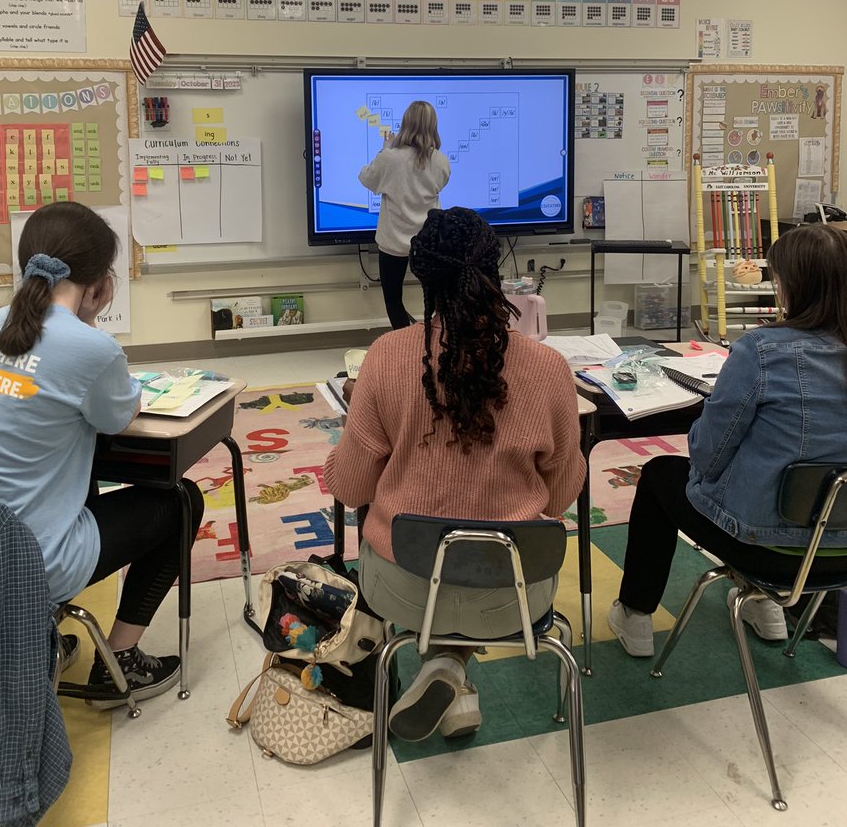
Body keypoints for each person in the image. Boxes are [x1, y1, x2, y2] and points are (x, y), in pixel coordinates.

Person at [324, 208, 586, 741]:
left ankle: (446, 666)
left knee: (415, 537)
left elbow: (349, 486)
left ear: (422, 277)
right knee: (477, 550)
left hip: (404, 588)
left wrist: (348, 445)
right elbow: (559, 498)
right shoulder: (548, 368)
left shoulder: (387, 357)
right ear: (494, 270)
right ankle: (452, 670)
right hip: (515, 591)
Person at [0, 202, 204, 706]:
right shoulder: (93, 349)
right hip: (32, 562)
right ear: (101, 285)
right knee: (182, 501)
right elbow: (119, 416)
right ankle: (120, 663)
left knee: (71, 477)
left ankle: (41, 636)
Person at [609, 223, 847, 658]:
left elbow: (706, 455)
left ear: (790, 285)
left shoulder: (761, 350)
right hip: (840, 553)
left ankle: (635, 614)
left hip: (765, 546)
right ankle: (764, 607)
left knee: (663, 474)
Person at [358, 100, 450, 329]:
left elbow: (366, 178)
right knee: (437, 299)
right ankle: (438, 341)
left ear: (406, 123)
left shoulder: (390, 157)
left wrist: (386, 149)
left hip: (393, 243)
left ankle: (404, 344)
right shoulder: (440, 160)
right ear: (433, 126)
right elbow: (441, 182)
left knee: (393, 299)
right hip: (429, 242)